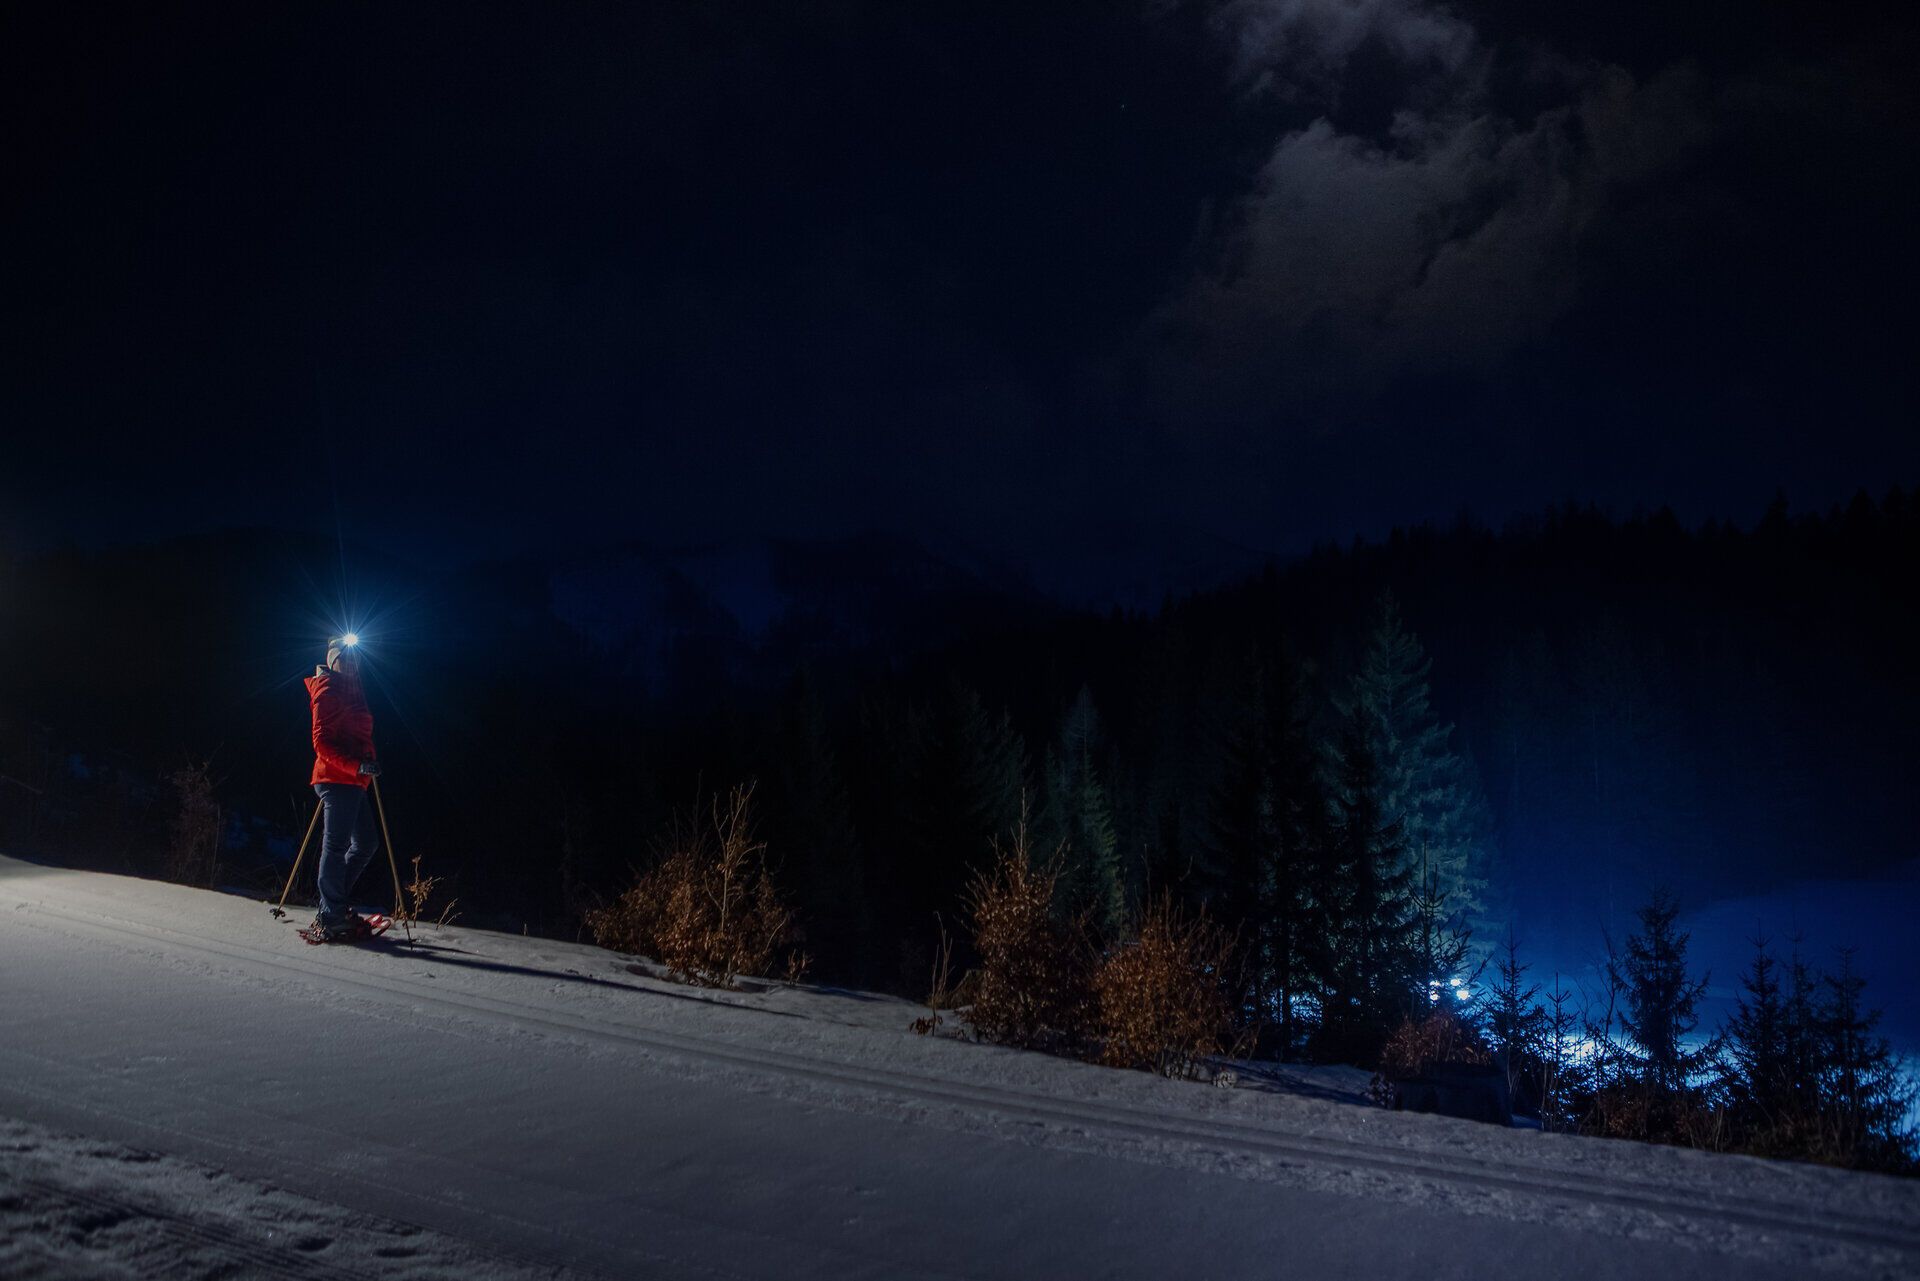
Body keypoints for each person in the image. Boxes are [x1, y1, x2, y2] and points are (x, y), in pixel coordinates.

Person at [304, 636, 382, 941]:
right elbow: (321, 743)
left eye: (355, 659)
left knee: (366, 843)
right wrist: (357, 765)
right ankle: (331, 915)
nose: (352, 664)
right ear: (333, 661)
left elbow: (357, 735)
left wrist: (367, 761)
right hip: (336, 779)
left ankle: (332, 904)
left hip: (353, 780)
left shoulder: (351, 689)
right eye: (345, 659)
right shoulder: (328, 689)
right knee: (336, 847)